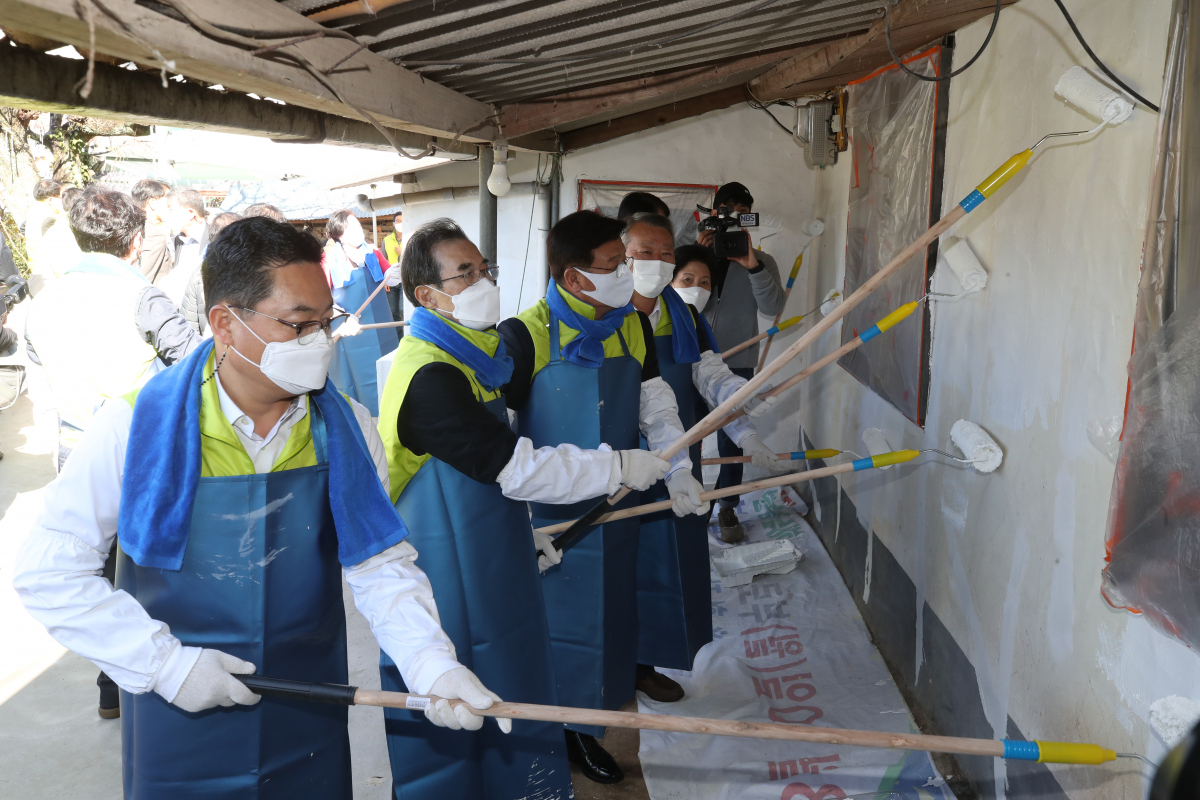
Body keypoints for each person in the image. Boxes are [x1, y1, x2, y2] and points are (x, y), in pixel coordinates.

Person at [13, 216, 508, 799]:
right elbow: (49, 572)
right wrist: (164, 665)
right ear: (225, 323)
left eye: (326, 323)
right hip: (180, 702)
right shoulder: (136, 427)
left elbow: (380, 564)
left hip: (310, 700)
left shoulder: (347, 428)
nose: (319, 343)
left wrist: (431, 664)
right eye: (298, 325)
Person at [372, 218, 669, 799]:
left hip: (485, 555)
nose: (484, 282)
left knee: (509, 685)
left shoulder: (473, 356)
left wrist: (515, 536)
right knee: (456, 703)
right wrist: (616, 467)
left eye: (485, 269)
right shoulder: (429, 374)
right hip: (438, 576)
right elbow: (516, 468)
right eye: (466, 274)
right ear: (428, 296)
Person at [498, 210, 706, 785]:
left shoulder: (628, 324)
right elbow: (500, 443)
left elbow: (654, 402)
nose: (628, 273)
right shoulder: (522, 336)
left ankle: (609, 696)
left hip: (618, 502)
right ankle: (567, 729)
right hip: (550, 517)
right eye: (616, 264)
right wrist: (510, 524)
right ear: (574, 278)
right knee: (561, 623)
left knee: (615, 604)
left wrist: (679, 467)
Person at [622, 214, 789, 697]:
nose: (657, 263)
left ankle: (648, 662)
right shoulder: (607, 314)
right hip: (620, 460)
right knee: (619, 561)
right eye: (645, 253)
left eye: (665, 253)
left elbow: (709, 376)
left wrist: (745, 400)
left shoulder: (684, 317)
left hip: (679, 458)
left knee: (668, 561)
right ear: (621, 257)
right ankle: (614, 665)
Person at [694, 181, 785, 541]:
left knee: (734, 441)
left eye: (740, 211)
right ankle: (694, 503)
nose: (732, 216)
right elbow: (677, 304)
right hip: (691, 360)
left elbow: (773, 307)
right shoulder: (695, 257)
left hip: (738, 362)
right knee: (688, 436)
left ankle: (727, 506)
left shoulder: (762, 262)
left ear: (748, 218)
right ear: (713, 214)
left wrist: (753, 266)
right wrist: (699, 257)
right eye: (725, 210)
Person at [323, 209, 397, 415]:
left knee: (386, 371)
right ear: (339, 233)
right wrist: (341, 316)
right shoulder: (329, 260)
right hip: (349, 330)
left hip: (380, 326)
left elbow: (389, 277)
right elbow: (321, 297)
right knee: (354, 379)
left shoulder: (372, 253)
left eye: (358, 226)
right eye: (352, 227)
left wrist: (395, 272)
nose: (359, 230)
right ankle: (360, 417)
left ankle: (391, 411)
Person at [160, 188, 209, 305]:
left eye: (171, 210)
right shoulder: (176, 240)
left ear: (191, 212)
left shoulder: (215, 240)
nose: (165, 216)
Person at [24, 178, 65, 293]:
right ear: (51, 199)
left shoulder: (35, 210)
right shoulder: (49, 217)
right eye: (63, 196)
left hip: (37, 273)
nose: (65, 200)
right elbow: (56, 251)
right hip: (48, 276)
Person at [132, 179, 174, 286]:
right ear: (153, 203)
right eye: (168, 200)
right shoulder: (154, 235)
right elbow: (141, 279)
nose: (171, 205)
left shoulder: (131, 226)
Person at [382, 211, 405, 329]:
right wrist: (385, 280)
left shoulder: (410, 238)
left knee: (403, 309)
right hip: (391, 281)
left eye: (403, 221)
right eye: (398, 221)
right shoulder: (386, 240)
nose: (400, 223)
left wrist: (403, 253)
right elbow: (383, 261)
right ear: (393, 223)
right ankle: (399, 338)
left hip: (405, 280)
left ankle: (409, 335)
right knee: (393, 311)